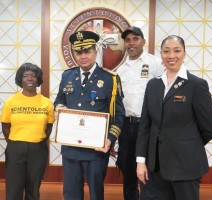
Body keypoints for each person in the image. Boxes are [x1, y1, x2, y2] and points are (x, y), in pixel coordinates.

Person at [136, 35, 212, 200]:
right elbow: (145, 126)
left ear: (184, 54)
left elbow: (211, 127)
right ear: (161, 55)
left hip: (185, 166)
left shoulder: (196, 85)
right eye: (166, 51)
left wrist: (188, 143)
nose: (171, 56)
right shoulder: (152, 85)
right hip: (154, 167)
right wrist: (140, 161)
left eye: (177, 51)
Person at [54, 30, 125, 200]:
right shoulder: (67, 76)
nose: (83, 56)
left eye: (87, 51)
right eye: (78, 52)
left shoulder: (110, 79)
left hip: (96, 150)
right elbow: (58, 100)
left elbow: (118, 115)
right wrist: (60, 109)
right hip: (71, 149)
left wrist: (110, 139)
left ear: (95, 51)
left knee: (96, 194)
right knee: (71, 194)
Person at [115, 26, 164, 200]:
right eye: (127, 40)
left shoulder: (156, 63)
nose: (131, 43)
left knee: (149, 170)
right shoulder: (120, 71)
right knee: (128, 169)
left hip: (148, 125)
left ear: (143, 41)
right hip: (127, 126)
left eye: (135, 39)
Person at [1, 63, 54, 200]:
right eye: (25, 76)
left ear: (38, 79)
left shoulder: (46, 103)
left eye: (33, 76)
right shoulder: (11, 101)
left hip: (38, 149)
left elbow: (49, 126)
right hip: (15, 148)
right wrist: (15, 142)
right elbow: (5, 125)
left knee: (33, 190)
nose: (30, 78)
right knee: (13, 189)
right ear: (20, 79)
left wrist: (39, 141)